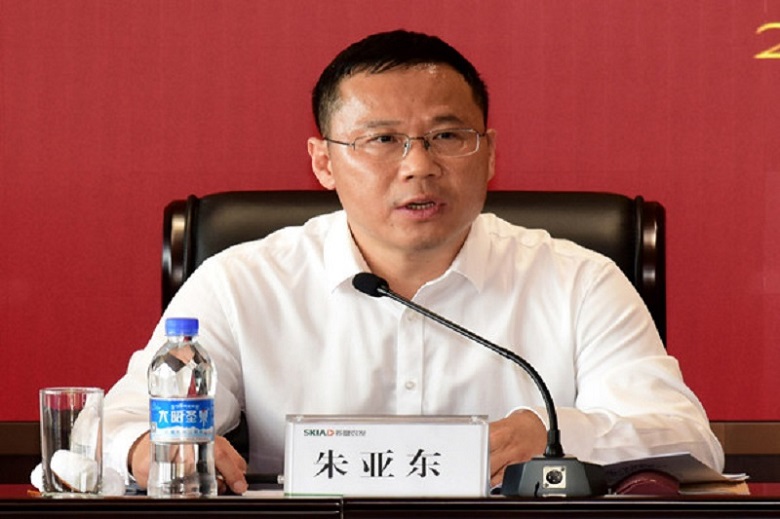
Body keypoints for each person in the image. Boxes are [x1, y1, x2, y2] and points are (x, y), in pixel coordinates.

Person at [103, 29, 724, 495]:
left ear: (490, 154)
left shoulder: (578, 281)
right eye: (381, 139)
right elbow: (118, 423)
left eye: (448, 136)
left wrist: (555, 433)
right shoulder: (242, 283)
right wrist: (144, 448)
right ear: (323, 162)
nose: (419, 166)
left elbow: (688, 439)